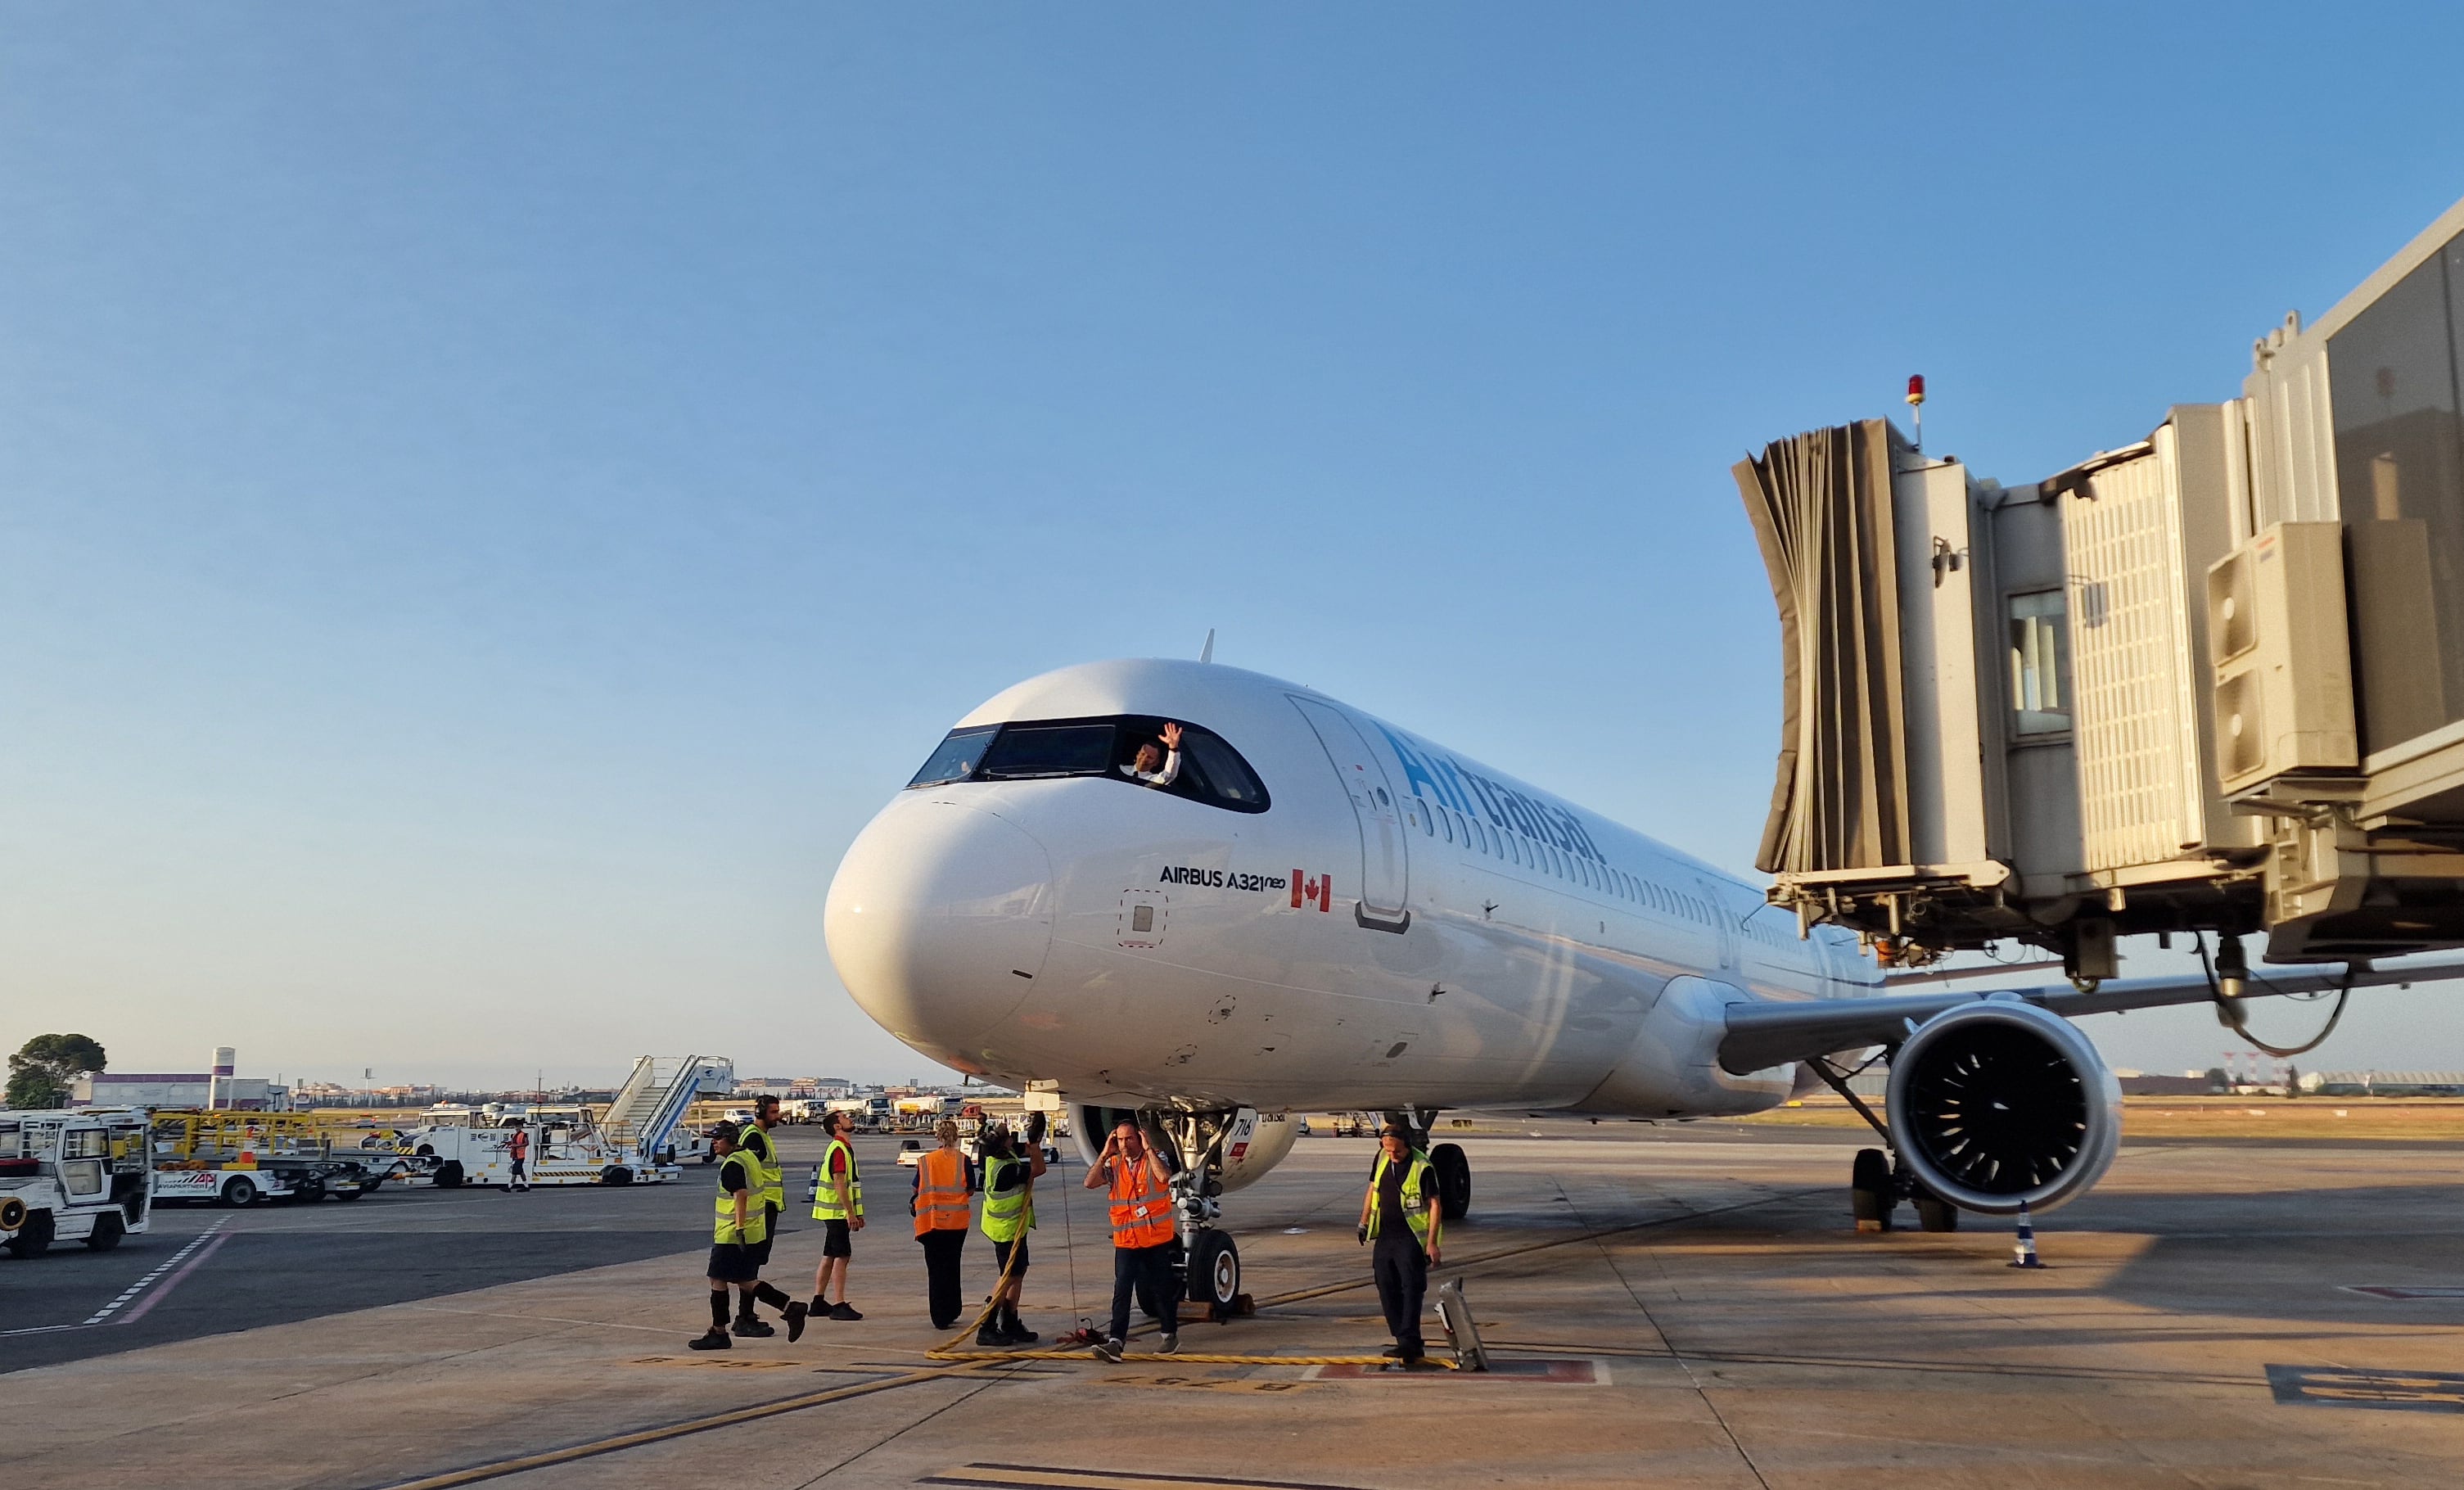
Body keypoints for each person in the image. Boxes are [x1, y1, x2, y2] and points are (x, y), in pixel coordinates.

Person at [692, 1123, 806, 1350]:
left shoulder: (732, 1164)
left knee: (718, 1279)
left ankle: (719, 1332)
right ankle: (789, 1307)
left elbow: (741, 1195)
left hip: (733, 1233)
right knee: (744, 1281)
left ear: (729, 1140)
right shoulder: (748, 1157)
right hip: (755, 1230)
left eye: (717, 1140)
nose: (713, 1143)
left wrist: (739, 1227)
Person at [1083, 1115, 1177, 1361]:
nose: (1124, 1144)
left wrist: (1148, 1149)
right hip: (1126, 1240)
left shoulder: (1155, 1158)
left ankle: (1169, 1335)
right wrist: (1104, 1154)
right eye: (1120, 1139)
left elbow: (1164, 1176)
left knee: (1160, 1289)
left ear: (1140, 1137)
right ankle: (1116, 1342)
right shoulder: (1114, 1165)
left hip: (1154, 1239)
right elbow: (1089, 1183)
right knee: (1122, 1290)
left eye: (1129, 1139)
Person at [1356, 1123, 1442, 1367]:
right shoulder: (1382, 1158)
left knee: (1411, 1288)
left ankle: (1410, 1340)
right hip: (1386, 1236)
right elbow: (1372, 1189)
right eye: (1387, 1150)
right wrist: (1363, 1222)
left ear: (1407, 1145)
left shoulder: (1422, 1167)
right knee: (1386, 1286)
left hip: (1411, 1237)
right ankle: (1401, 1337)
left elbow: (1435, 1204)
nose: (1392, 1155)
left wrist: (1432, 1243)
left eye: (1397, 1152)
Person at [977, 1113, 1048, 1345]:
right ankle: (986, 1326)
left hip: (1011, 1227)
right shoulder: (1006, 1170)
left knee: (1018, 1273)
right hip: (1006, 1230)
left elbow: (1024, 1150)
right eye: (1008, 1138)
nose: (1012, 1140)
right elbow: (1038, 1168)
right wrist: (1035, 1144)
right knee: (1007, 1277)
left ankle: (1009, 1321)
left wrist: (1033, 1138)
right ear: (1003, 1145)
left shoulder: (997, 1157)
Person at [732, 1096, 788, 1336]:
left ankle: (746, 1315)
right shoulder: (754, 1137)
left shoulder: (761, 1136)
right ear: (762, 1112)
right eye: (774, 1112)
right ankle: (744, 1317)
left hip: (766, 1206)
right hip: (760, 1208)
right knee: (751, 1264)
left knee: (754, 1264)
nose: (778, 1116)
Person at [910, 1119, 973, 1331]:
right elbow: (970, 1189)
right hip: (956, 1224)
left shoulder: (927, 1161)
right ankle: (953, 1309)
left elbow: (916, 1189)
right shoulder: (963, 1160)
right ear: (957, 1137)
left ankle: (939, 1316)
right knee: (952, 1267)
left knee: (936, 1271)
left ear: (938, 1136)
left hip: (932, 1223)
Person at [808, 1108, 866, 1321]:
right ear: (837, 1126)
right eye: (844, 1117)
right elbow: (839, 1183)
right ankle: (839, 1303)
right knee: (843, 1256)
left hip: (831, 1212)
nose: (850, 1118)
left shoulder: (842, 1148)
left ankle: (817, 1301)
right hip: (836, 1213)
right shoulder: (839, 1149)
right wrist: (850, 1213)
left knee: (830, 1255)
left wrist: (857, 1213)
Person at [1120, 721, 1183, 788]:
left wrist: (1173, 748)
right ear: (1137, 754)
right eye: (1143, 754)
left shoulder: (1154, 780)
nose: (1144, 759)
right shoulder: (1121, 769)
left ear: (1156, 763)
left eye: (1149, 757)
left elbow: (1169, 775)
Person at [505, 1124, 530, 1192]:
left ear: (521, 1127)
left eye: (518, 1127)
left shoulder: (524, 1135)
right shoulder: (514, 1135)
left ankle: (509, 1187)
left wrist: (517, 1145)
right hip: (515, 1155)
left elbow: (527, 1143)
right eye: (516, 1127)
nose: (517, 1128)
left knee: (514, 1172)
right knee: (521, 1172)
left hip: (520, 1156)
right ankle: (526, 1186)